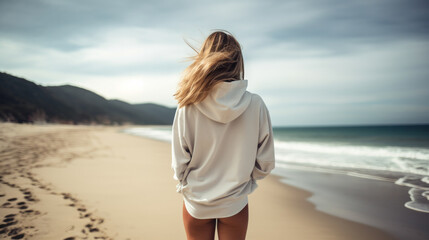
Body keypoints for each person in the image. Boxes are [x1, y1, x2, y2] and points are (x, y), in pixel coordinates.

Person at [171, 30, 275, 240]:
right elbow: (265, 162)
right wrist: (244, 182)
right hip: (234, 202)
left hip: (197, 202)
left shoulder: (188, 104)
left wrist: (188, 185)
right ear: (237, 62)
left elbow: (179, 162)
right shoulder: (255, 104)